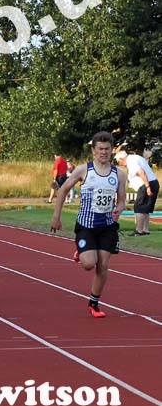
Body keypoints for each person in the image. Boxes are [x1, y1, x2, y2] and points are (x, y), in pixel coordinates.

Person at [51, 132, 126, 318]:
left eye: (107, 149)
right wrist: (56, 217)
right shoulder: (84, 170)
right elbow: (63, 190)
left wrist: (119, 209)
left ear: (112, 151)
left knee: (103, 265)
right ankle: (82, 249)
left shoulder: (119, 174)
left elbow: (123, 200)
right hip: (86, 225)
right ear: (93, 150)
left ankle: (94, 303)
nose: (103, 152)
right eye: (100, 149)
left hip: (108, 226)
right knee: (88, 264)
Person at [115, 150, 159, 236]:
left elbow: (141, 172)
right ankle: (145, 230)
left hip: (145, 184)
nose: (119, 163)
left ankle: (139, 230)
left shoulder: (130, 161)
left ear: (121, 159)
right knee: (146, 208)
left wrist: (147, 187)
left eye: (118, 161)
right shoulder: (136, 157)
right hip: (154, 182)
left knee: (138, 207)